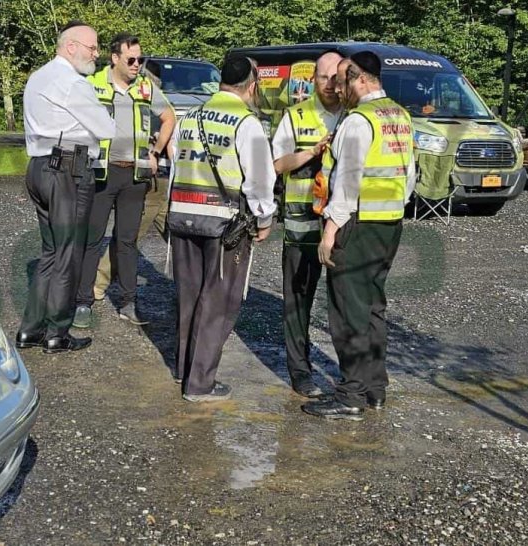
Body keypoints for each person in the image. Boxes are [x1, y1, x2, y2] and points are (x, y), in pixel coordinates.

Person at [303, 51, 416, 420]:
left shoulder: (357, 122)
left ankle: (350, 394)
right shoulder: (399, 115)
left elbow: (347, 183)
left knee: (347, 312)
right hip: (390, 225)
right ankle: (375, 388)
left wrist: (330, 231)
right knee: (373, 308)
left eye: (341, 79)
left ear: (361, 79)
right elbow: (409, 176)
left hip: (357, 224)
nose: (337, 86)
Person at [168, 56, 276, 402]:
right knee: (218, 302)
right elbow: (260, 180)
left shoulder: (190, 117)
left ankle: (184, 369)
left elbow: (175, 165)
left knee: (189, 296)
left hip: (183, 215)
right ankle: (199, 384)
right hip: (225, 223)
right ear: (252, 85)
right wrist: (264, 218)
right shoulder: (247, 124)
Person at [15, 21, 115, 354]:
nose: (96, 54)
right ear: (70, 46)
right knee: (68, 254)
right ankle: (57, 332)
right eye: (92, 47)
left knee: (50, 252)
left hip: (40, 167)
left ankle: (31, 329)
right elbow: (106, 127)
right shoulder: (73, 82)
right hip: (68, 171)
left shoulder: (38, 76)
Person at [73, 33, 176, 328]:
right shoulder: (93, 85)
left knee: (126, 242)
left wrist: (156, 152)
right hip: (101, 174)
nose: (137, 64)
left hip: (135, 175)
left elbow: (169, 117)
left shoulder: (145, 87)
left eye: (140, 59)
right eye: (131, 59)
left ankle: (129, 304)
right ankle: (83, 302)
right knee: (92, 241)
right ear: (114, 58)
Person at [271, 51, 343, 398]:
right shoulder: (296, 117)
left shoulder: (355, 116)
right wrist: (311, 153)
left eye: (335, 78)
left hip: (344, 227)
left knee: (345, 302)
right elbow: (277, 163)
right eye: (323, 77)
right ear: (312, 80)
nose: (329, 84)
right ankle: (300, 371)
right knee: (298, 302)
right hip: (303, 227)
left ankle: (351, 373)